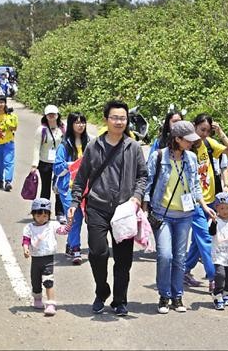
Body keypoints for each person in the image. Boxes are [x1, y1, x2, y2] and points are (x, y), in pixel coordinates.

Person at [68, 100, 148, 316]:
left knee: (123, 259)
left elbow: (142, 176)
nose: (119, 122)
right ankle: (101, 290)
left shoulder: (133, 147)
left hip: (124, 211)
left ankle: (120, 300)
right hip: (97, 207)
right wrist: (75, 202)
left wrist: (137, 198)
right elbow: (81, 177)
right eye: (115, 117)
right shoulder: (94, 146)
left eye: (123, 118)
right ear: (106, 119)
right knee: (98, 253)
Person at [143, 120, 214, 314]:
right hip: (162, 214)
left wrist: (205, 206)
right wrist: (144, 209)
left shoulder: (191, 158)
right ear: (177, 139)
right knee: (165, 255)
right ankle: (164, 295)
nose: (191, 143)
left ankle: (177, 296)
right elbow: (148, 184)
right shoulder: (158, 157)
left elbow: (196, 185)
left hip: (185, 215)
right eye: (188, 140)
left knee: (180, 258)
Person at [184, 114, 228, 290]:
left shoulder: (208, 144)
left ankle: (184, 270)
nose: (204, 134)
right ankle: (215, 277)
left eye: (207, 131)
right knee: (207, 238)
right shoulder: (187, 146)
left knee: (198, 241)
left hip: (211, 200)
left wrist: (220, 133)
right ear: (194, 127)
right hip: (195, 202)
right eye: (202, 130)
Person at [54, 112, 93, 265]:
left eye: (82, 122)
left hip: (87, 188)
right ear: (71, 124)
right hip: (68, 188)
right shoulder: (64, 145)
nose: (80, 125)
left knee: (89, 219)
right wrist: (73, 166)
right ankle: (76, 249)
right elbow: (57, 168)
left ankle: (71, 244)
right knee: (75, 218)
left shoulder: (89, 143)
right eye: (77, 122)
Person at [22, 197, 70, 316]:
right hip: (36, 259)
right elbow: (26, 240)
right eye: (39, 216)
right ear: (33, 215)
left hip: (48, 258)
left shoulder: (53, 225)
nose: (42, 218)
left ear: (49, 215)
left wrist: (70, 223)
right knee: (35, 281)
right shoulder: (29, 228)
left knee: (48, 281)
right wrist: (26, 249)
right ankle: (37, 299)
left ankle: (50, 304)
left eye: (45, 216)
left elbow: (63, 231)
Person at [31, 105, 66, 221]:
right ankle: (43, 213)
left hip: (59, 163)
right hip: (45, 162)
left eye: (54, 114)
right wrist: (34, 164)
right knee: (45, 188)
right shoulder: (41, 130)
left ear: (57, 115)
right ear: (45, 116)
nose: (51, 116)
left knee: (58, 188)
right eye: (49, 114)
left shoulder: (63, 128)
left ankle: (60, 213)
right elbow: (36, 148)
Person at [0, 95, 18, 191]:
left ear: (5, 103)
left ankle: (8, 181)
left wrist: (7, 121)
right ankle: (0, 180)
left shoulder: (11, 116)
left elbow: (14, 128)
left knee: (8, 162)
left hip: (8, 142)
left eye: (2, 102)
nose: (0, 105)